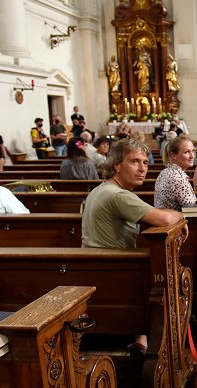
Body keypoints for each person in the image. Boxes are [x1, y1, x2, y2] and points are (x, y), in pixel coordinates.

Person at [82, 138, 184, 356]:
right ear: (117, 165)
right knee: (170, 281)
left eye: (145, 163)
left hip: (96, 268)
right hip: (115, 274)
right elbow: (165, 218)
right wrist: (182, 214)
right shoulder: (118, 195)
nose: (142, 169)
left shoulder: (102, 190)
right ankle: (162, 346)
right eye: (134, 162)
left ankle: (142, 338)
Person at [155, 136, 197, 211]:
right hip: (176, 221)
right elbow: (191, 210)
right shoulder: (178, 178)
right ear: (173, 155)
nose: (192, 156)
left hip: (165, 220)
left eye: (193, 151)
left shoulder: (164, 172)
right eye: (186, 152)